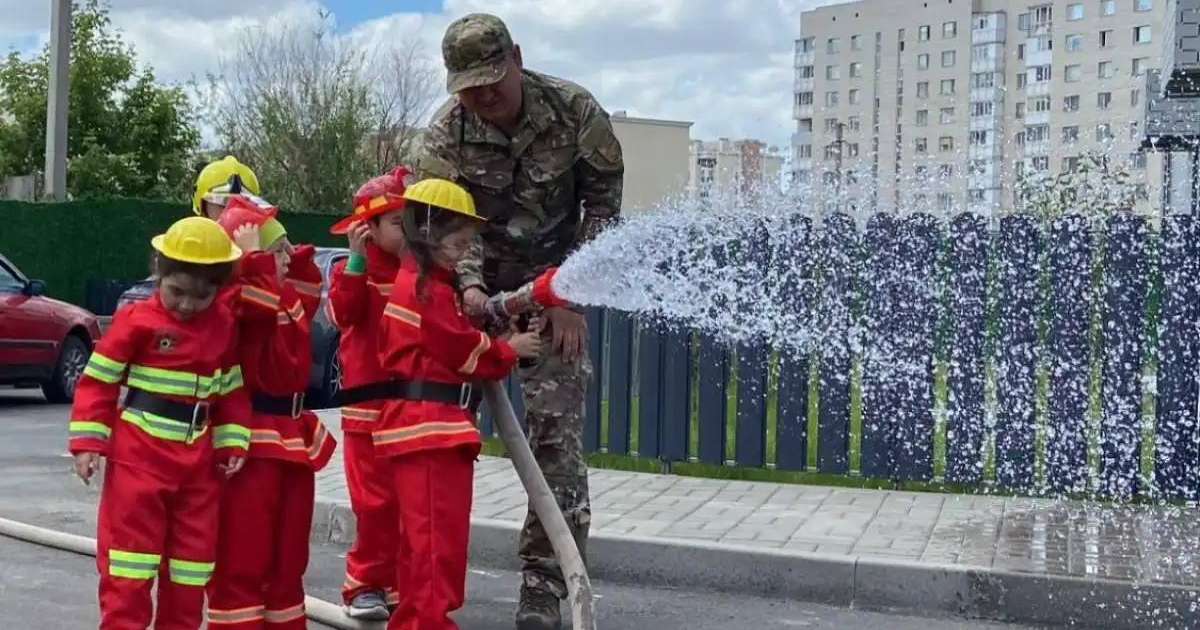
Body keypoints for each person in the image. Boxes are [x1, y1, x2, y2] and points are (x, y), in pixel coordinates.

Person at [416, 13, 624, 629]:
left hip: (553, 293)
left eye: (492, 80)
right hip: (465, 296)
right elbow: (437, 223)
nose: (483, 96)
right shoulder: (443, 135)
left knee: (555, 443)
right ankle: (421, 577)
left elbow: (603, 211)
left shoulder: (575, 112)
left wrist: (567, 294)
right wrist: (472, 288)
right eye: (469, 86)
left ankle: (543, 587)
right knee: (435, 439)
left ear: (517, 58)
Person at [68, 216, 252, 630]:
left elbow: (232, 392)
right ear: (159, 275)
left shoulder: (224, 324)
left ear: (218, 291)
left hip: (199, 470)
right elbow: (98, 381)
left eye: (202, 296)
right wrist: (87, 444)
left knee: (190, 572)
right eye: (177, 292)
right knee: (129, 571)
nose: (188, 304)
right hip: (140, 463)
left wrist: (232, 443)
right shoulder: (136, 321)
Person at [375, 178, 542, 630]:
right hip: (429, 433)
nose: (463, 253)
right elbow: (460, 349)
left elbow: (453, 339)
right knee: (435, 549)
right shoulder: (425, 291)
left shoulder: (426, 286)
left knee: (422, 550)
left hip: (426, 432)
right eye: (457, 242)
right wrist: (511, 348)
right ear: (428, 234)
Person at [207, 215, 337, 629]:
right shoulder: (236, 294)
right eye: (275, 250)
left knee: (287, 563)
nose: (283, 257)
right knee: (243, 562)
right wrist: (249, 259)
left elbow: (307, 293)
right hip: (255, 441)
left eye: (283, 249)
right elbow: (254, 311)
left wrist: (289, 254)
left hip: (290, 438)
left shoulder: (279, 291)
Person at [326, 167, 412, 620]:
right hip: (367, 412)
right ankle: (365, 585)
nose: (409, 232)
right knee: (374, 504)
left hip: (411, 409)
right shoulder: (350, 270)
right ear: (368, 229)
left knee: (408, 503)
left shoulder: (419, 272)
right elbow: (345, 313)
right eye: (398, 223)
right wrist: (356, 262)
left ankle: (399, 585)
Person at [193, 156, 262, 220]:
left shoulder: (259, 231)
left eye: (242, 205)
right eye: (223, 203)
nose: (233, 212)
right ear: (203, 207)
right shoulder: (191, 232)